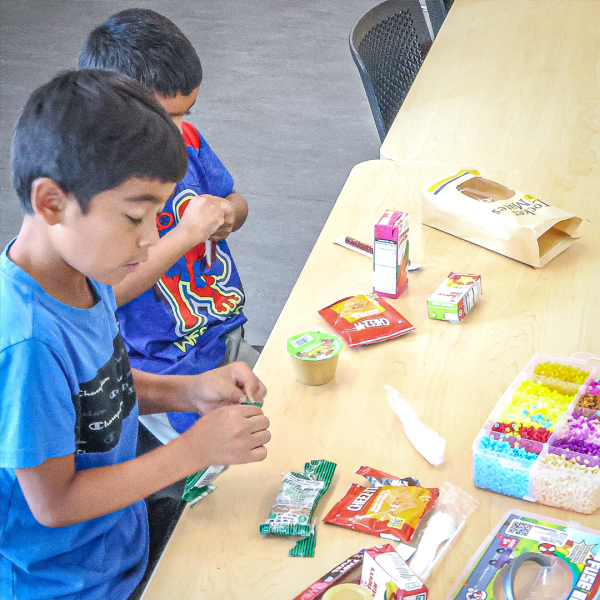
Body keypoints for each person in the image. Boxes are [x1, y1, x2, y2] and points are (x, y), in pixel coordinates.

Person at [0, 69, 270, 600]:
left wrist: (185, 391)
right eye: (134, 218)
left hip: (121, 544)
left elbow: (102, 389)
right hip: (68, 586)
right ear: (52, 202)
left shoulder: (84, 272)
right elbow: (55, 504)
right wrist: (192, 451)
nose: (151, 241)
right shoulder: (27, 344)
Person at [78, 8, 258, 441]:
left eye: (186, 113)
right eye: (165, 119)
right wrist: (187, 234)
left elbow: (236, 199)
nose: (177, 131)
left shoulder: (189, 141)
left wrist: (228, 214)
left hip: (224, 329)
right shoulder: (101, 191)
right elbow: (106, 294)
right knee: (227, 468)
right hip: (165, 366)